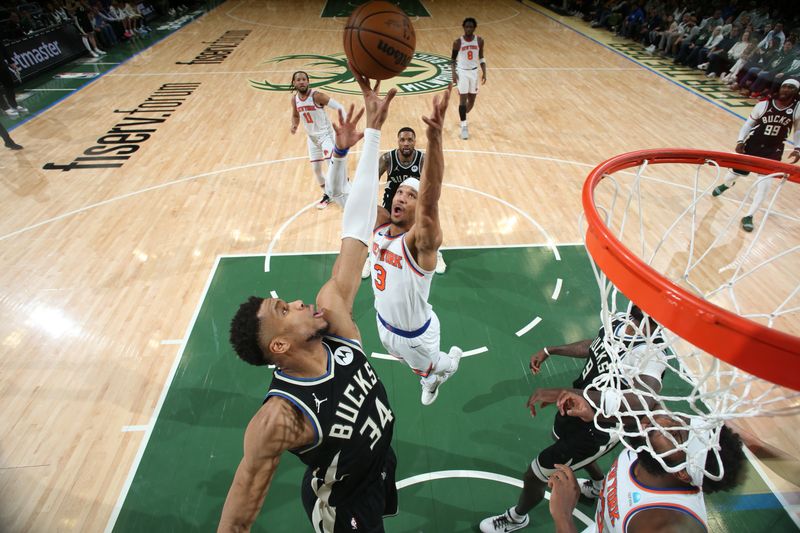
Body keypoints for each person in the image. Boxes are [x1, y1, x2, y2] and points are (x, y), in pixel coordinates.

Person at [219, 70, 399, 532]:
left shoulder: (334, 316)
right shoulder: (279, 417)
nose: (298, 301)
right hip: (344, 508)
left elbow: (356, 228)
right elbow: (241, 509)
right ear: (279, 346)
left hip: (377, 463)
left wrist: (372, 135)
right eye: (284, 311)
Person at [479, 306, 668, 533]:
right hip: (575, 402)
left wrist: (563, 392)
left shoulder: (652, 355)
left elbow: (641, 401)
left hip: (600, 426)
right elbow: (596, 346)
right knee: (556, 436)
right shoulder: (619, 319)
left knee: (535, 474)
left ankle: (516, 518)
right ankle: (599, 484)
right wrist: (552, 350)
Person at [366, 86, 461, 406]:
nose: (401, 197)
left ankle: (446, 367)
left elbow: (431, 199)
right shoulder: (380, 225)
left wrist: (434, 139)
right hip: (384, 327)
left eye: (411, 196)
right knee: (413, 366)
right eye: (400, 193)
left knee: (430, 367)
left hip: (418, 338)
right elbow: (350, 194)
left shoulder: (422, 241)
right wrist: (367, 132)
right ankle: (429, 374)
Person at [547, 401, 747, 533]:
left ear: (683, 472)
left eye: (675, 435)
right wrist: (597, 412)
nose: (662, 423)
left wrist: (564, 516)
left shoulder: (667, 524)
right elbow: (637, 411)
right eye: (678, 420)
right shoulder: (652, 448)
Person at [712, 78, 800, 232]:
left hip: (773, 151)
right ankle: (726, 185)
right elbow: (748, 124)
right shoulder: (763, 104)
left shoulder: (797, 109)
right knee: (731, 176)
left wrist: (798, 147)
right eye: (784, 86)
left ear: (796, 91)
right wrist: (740, 141)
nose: (786, 89)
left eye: (790, 87)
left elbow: (798, 130)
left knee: (764, 187)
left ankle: (749, 216)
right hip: (752, 146)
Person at [360, 126, 446, 278]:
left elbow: (432, 183)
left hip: (414, 201)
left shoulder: (422, 159)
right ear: (398, 142)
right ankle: (372, 256)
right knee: (381, 230)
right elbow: (373, 181)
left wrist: (428, 204)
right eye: (402, 140)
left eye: (409, 140)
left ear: (414, 142)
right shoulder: (387, 159)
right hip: (393, 200)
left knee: (427, 226)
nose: (406, 143)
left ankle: (436, 253)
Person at [290, 70, 348, 209]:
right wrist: (294, 125)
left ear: (308, 81)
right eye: (298, 80)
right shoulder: (294, 99)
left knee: (332, 167)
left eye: (304, 79)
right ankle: (327, 194)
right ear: (294, 83)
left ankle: (344, 188)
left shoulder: (317, 96)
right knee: (316, 169)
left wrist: (344, 124)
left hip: (326, 136)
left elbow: (339, 107)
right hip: (312, 138)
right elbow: (296, 115)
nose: (302, 81)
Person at [451, 17, 486, 140]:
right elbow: (452, 60)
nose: (469, 29)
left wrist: (484, 72)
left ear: (474, 28)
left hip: (474, 72)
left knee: (471, 102)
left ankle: (462, 115)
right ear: (464, 27)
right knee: (463, 100)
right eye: (467, 26)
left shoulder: (480, 41)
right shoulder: (458, 42)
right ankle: (464, 127)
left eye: (471, 27)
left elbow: (481, 57)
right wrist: (454, 74)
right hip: (462, 73)